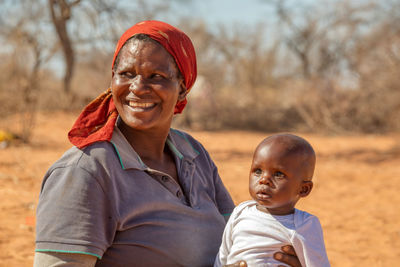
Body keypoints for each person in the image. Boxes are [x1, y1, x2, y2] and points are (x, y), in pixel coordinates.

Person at [34, 20, 301, 267]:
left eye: (156, 76)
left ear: (183, 88)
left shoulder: (192, 153)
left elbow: (237, 239)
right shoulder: (85, 173)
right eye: (126, 73)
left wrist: (275, 257)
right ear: (112, 80)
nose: (138, 87)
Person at [214, 134, 330, 267]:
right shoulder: (241, 211)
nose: (263, 180)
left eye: (278, 174)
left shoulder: (304, 224)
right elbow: (223, 255)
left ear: (303, 189)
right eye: (258, 171)